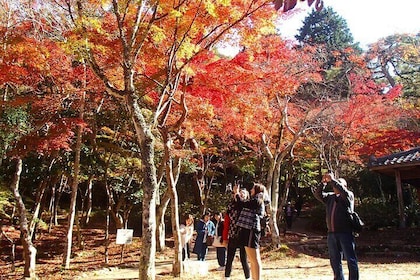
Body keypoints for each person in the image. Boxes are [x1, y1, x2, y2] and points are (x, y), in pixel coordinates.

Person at [313, 172, 359, 280]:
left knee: (350, 259)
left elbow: (343, 192)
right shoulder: (330, 197)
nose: (335, 186)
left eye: (338, 184)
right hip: (332, 234)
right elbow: (318, 194)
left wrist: (333, 180)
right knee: (334, 260)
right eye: (334, 185)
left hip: (345, 233)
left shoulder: (348, 196)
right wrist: (323, 183)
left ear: (345, 186)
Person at [235, 183, 269, 280]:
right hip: (248, 229)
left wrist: (237, 193)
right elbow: (240, 204)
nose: (251, 191)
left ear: (258, 190)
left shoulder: (258, 199)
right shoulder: (255, 199)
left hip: (252, 229)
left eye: (253, 189)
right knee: (251, 258)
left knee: (255, 258)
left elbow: (243, 204)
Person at [222, 186, 251, 280]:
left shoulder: (247, 206)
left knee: (244, 258)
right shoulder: (231, 206)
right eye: (240, 192)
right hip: (233, 234)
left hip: (244, 236)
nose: (241, 194)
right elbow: (226, 223)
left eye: (244, 193)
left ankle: (248, 277)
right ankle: (227, 277)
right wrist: (225, 238)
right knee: (230, 258)